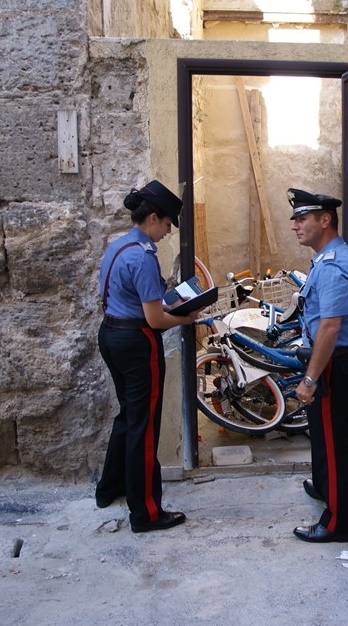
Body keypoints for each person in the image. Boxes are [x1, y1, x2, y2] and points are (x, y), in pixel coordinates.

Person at [95, 180, 201, 533]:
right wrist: (186, 316)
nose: (169, 231)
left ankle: (110, 487)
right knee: (145, 426)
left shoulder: (118, 246)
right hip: (137, 341)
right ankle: (146, 513)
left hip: (111, 334)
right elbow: (155, 319)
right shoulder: (143, 256)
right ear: (152, 217)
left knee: (129, 416)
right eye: (167, 223)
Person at [288, 187, 348, 543]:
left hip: (334, 363)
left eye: (302, 218)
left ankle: (338, 524)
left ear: (325, 220)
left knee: (335, 443)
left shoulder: (334, 265)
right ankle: (325, 485)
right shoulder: (326, 257)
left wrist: (309, 378)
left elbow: (330, 327)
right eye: (294, 219)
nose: (295, 225)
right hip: (331, 360)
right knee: (321, 432)